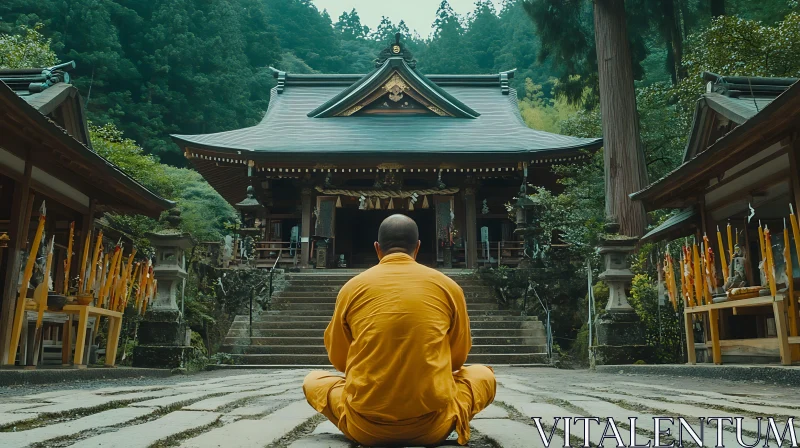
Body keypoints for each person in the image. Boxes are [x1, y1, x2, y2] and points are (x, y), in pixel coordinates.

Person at [303, 214, 496, 446]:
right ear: (417, 248)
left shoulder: (351, 289)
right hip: (433, 426)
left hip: (365, 427)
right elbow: (457, 360)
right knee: (483, 375)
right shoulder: (449, 287)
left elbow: (340, 360)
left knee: (313, 380)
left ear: (377, 248)